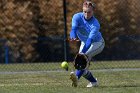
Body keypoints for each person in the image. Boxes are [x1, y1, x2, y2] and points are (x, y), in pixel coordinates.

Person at [69, 0, 105, 88]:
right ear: (82, 10)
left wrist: (82, 53)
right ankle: (93, 82)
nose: (87, 14)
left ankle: (76, 77)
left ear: (93, 12)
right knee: (81, 65)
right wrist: (73, 37)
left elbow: (89, 41)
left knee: (84, 57)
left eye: (89, 12)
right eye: (85, 11)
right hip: (84, 42)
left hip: (97, 43)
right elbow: (73, 30)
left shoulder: (95, 24)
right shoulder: (77, 17)